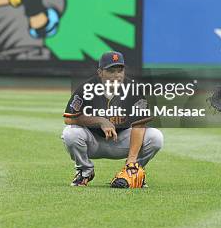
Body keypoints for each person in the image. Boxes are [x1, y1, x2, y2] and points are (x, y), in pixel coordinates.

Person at [62, 51, 163, 187]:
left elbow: (139, 125)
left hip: (121, 142)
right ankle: (85, 171)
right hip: (92, 142)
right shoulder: (86, 88)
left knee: (156, 137)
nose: (117, 75)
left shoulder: (134, 89)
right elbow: (69, 119)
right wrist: (100, 120)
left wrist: (132, 159)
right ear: (100, 72)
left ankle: (132, 171)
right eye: (111, 71)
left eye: (120, 70)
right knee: (70, 133)